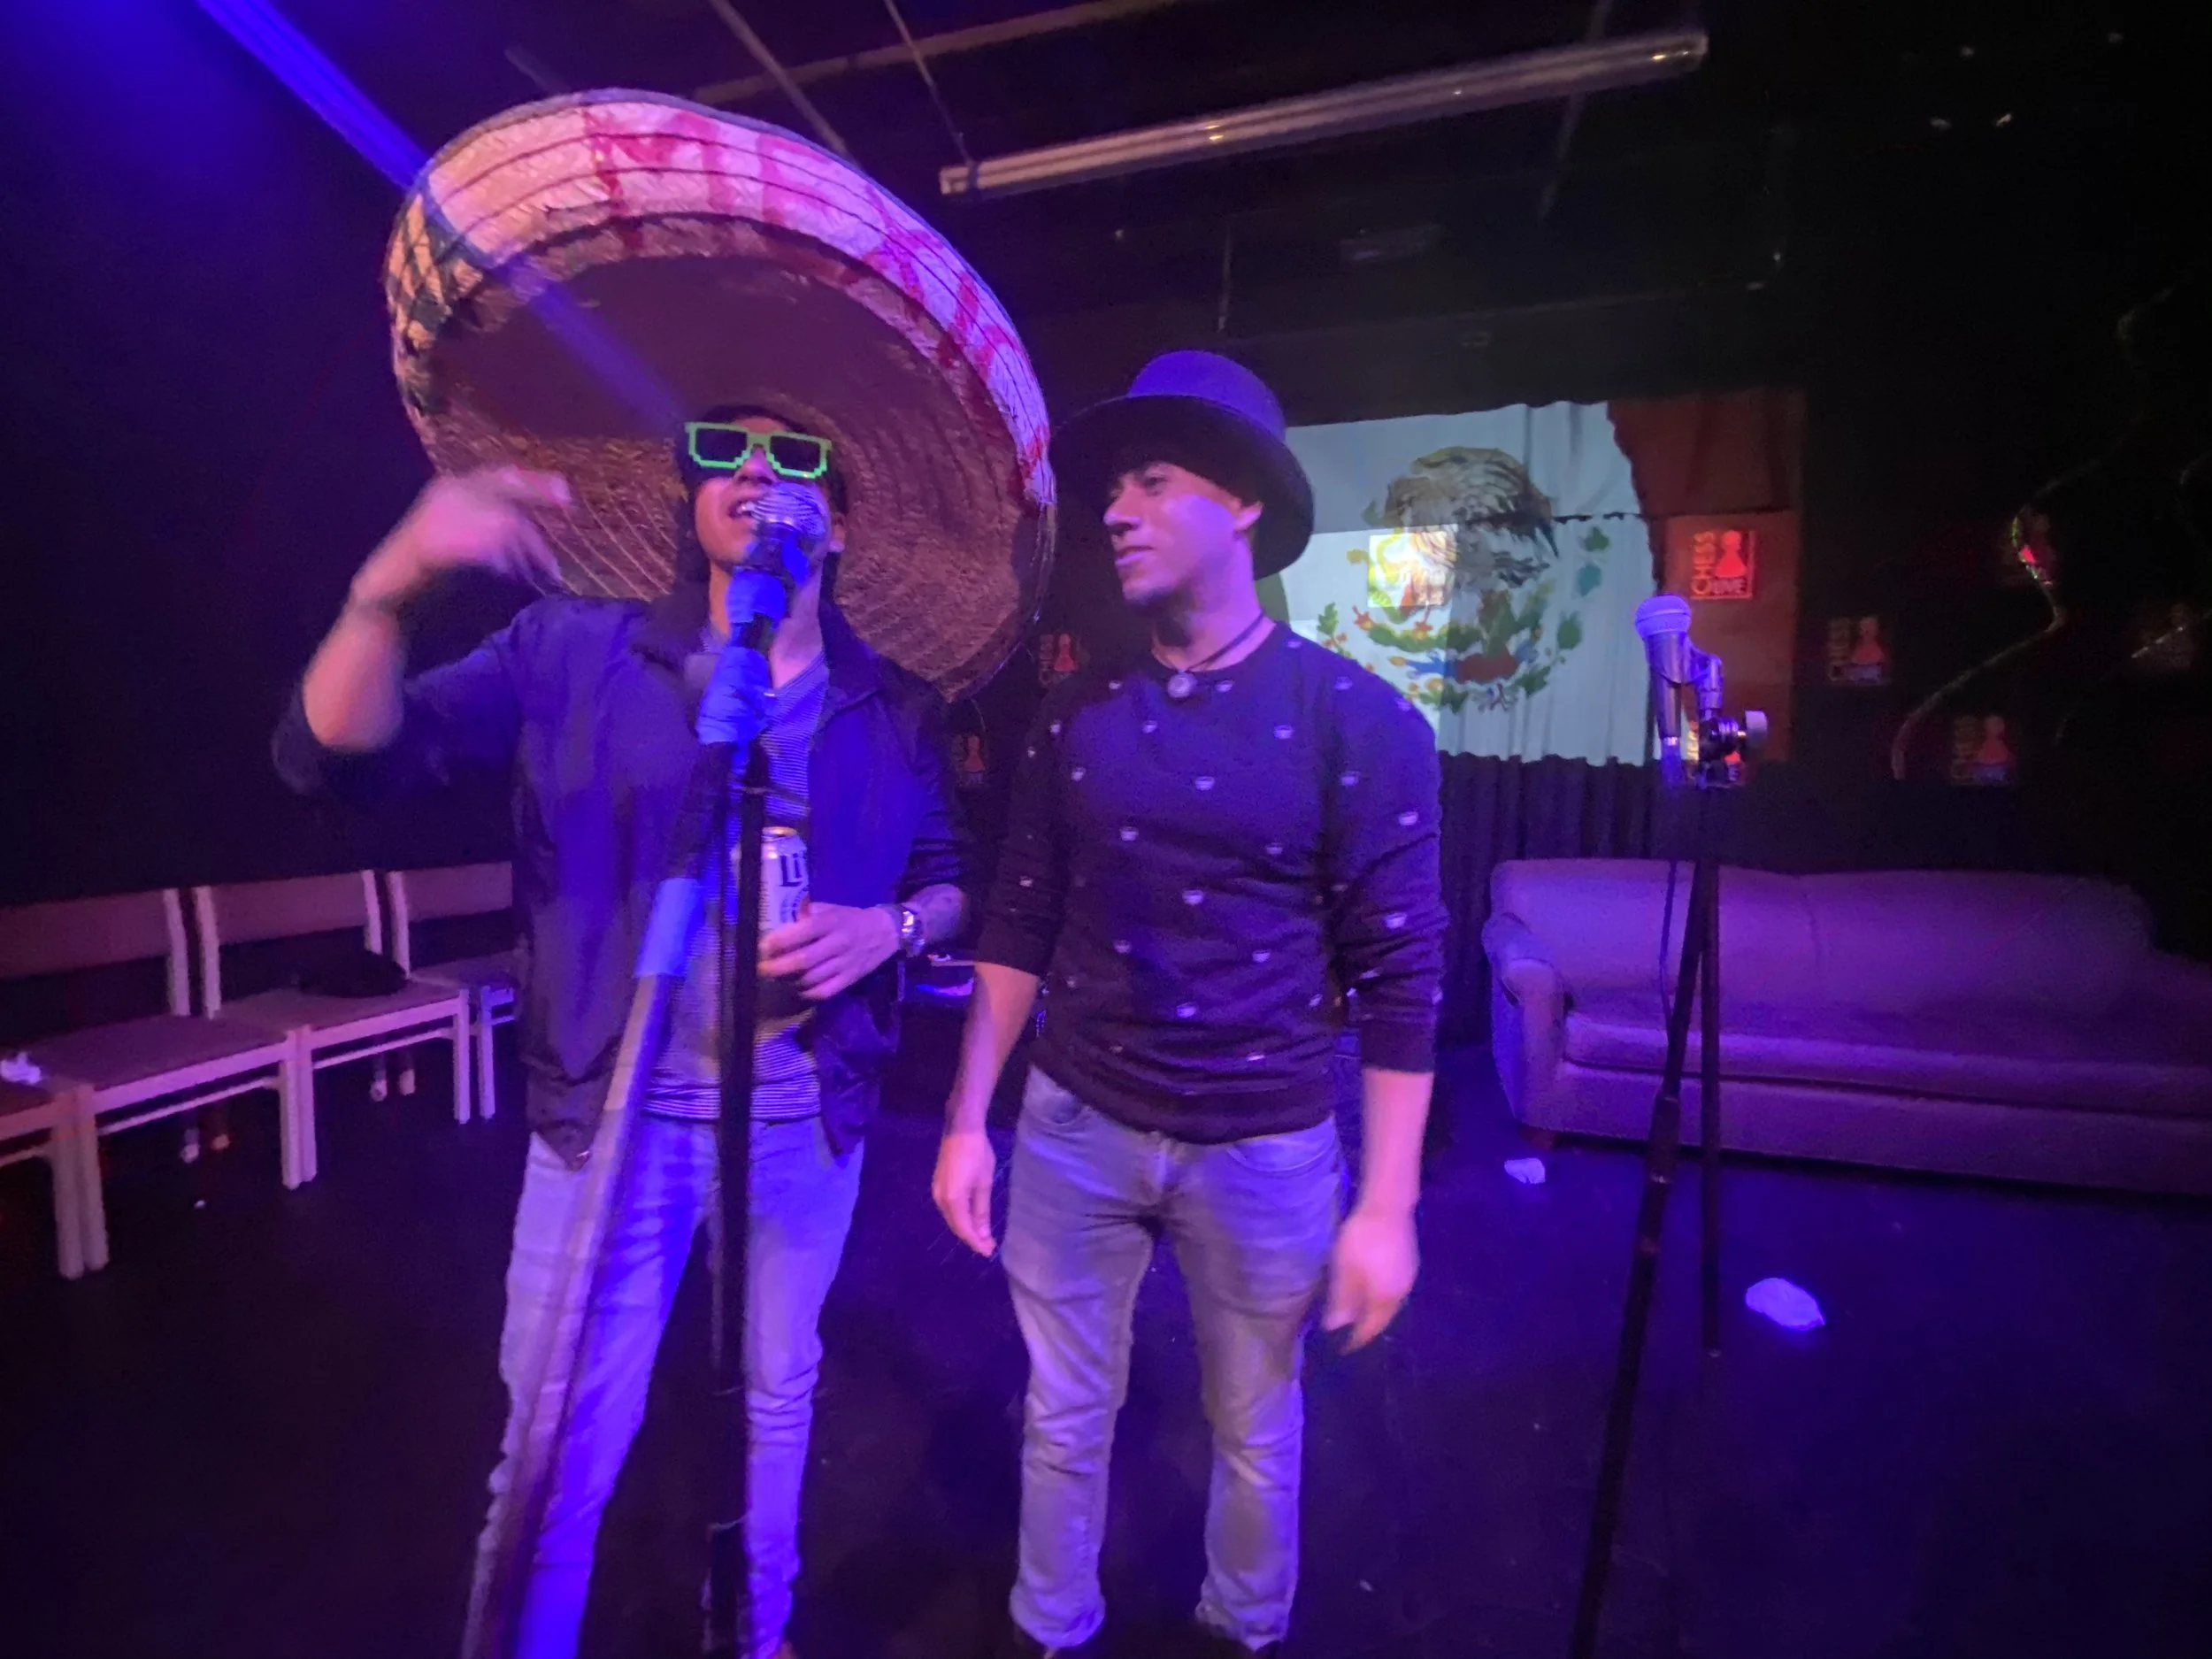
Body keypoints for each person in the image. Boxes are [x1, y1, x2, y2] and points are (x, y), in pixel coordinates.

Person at [274, 406, 971, 1659]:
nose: (757, 470)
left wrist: (896, 929)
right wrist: (393, 583)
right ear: (691, 491)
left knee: (777, 1404)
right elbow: (343, 755)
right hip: (609, 1119)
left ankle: (755, 1636)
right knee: (554, 1448)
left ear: (842, 522)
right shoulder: (571, 656)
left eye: (801, 453)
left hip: (804, 1119)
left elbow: (947, 870)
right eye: (726, 447)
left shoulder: (892, 706)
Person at [931, 351, 1448, 1657]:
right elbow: (1017, 919)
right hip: (1073, 1127)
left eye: (1153, 482)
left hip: (1266, 1145)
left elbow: (1400, 978)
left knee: (1257, 1431)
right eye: (1113, 485)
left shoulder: (1360, 721)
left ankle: (1240, 1632)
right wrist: (962, 1120)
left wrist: (1386, 1205)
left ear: (1245, 508)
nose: (1113, 510)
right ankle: (1048, 1631)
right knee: (1060, 1412)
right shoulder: (1073, 711)